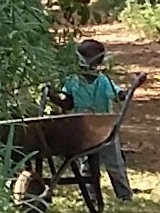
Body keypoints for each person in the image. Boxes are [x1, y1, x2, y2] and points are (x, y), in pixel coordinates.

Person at [58, 37, 136, 204]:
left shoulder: (103, 81)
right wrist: (53, 96)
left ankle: (124, 195)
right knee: (87, 164)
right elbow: (68, 102)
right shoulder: (72, 80)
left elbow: (118, 96)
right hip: (83, 128)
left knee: (114, 164)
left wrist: (130, 89)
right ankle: (91, 196)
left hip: (104, 127)